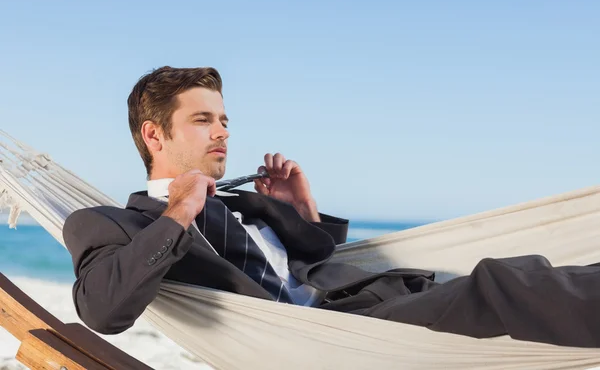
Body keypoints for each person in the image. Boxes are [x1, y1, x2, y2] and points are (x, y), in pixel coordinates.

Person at [63, 66, 600, 349]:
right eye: (203, 120)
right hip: (319, 336)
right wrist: (177, 213)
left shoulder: (247, 201)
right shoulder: (111, 223)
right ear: (153, 134)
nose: (223, 132)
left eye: (225, 120)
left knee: (526, 274)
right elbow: (103, 311)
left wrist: (304, 211)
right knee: (500, 282)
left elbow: (318, 263)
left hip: (366, 308)